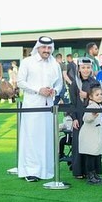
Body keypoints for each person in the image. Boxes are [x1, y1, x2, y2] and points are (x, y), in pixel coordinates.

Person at [16, 36, 63, 182]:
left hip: (48, 106)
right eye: (44, 47)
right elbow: (20, 82)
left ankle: (46, 170)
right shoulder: (27, 62)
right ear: (38, 48)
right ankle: (31, 171)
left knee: (47, 137)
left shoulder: (54, 64)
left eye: (49, 48)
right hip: (32, 106)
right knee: (31, 137)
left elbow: (60, 83)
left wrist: (53, 90)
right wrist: (38, 90)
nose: (46, 50)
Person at [68, 58, 100, 179]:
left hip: (92, 117)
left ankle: (91, 171)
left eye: (88, 67)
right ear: (79, 69)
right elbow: (72, 103)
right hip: (79, 119)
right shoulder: (74, 83)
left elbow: (99, 98)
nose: (86, 70)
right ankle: (79, 171)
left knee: (91, 144)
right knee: (78, 144)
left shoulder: (95, 83)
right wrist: (74, 118)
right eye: (83, 67)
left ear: (91, 68)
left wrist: (86, 95)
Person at [79, 85, 102, 185]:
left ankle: (94, 174)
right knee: (90, 155)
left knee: (95, 155)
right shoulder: (91, 107)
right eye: (97, 95)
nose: (99, 96)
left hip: (96, 134)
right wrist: (93, 115)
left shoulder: (99, 106)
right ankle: (90, 175)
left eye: (101, 94)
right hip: (90, 135)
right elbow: (85, 118)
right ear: (91, 97)